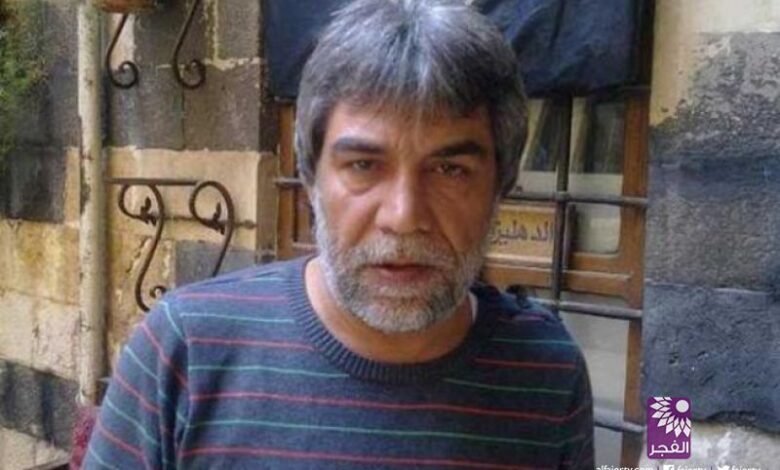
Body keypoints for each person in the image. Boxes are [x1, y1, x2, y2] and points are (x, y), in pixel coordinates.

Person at [84, 0, 594, 468]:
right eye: (364, 165)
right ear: (310, 177)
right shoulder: (186, 350)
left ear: (501, 185)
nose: (403, 216)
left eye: (449, 170)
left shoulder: (547, 377)